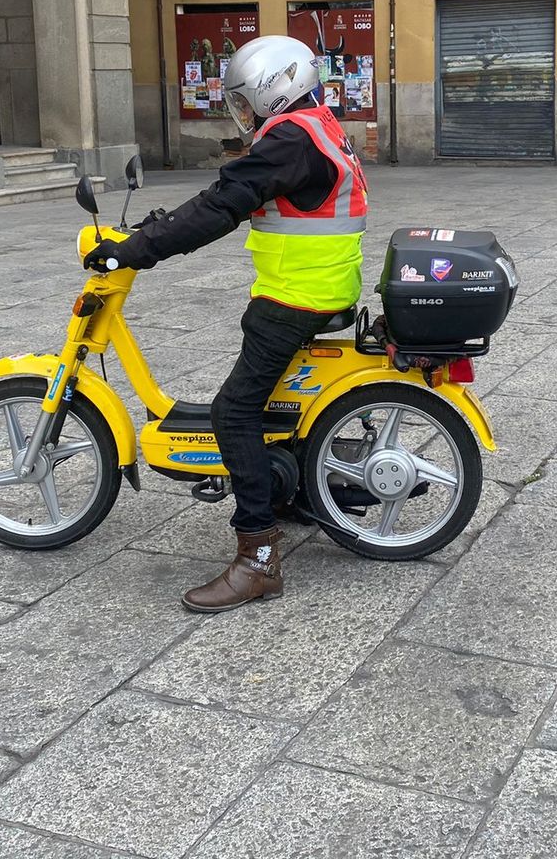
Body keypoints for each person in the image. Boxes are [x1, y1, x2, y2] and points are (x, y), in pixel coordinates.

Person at [83, 36, 367, 614]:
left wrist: (138, 249)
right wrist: (160, 226)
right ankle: (281, 489)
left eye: (245, 101)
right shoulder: (316, 126)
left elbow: (222, 207)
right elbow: (231, 189)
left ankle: (257, 558)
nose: (242, 114)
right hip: (317, 285)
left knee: (232, 410)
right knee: (259, 401)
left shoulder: (289, 139)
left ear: (274, 88)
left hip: (297, 296)